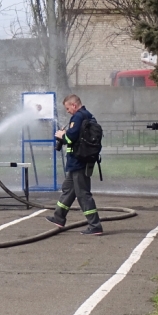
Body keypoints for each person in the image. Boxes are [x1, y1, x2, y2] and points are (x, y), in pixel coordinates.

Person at [45, 94, 104, 235]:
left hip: (78, 161)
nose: (67, 111)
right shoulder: (88, 115)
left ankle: (95, 225)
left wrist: (61, 135)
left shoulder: (78, 116)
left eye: (67, 108)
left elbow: (71, 138)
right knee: (68, 189)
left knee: (83, 194)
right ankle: (59, 217)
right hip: (78, 161)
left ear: (74, 105)